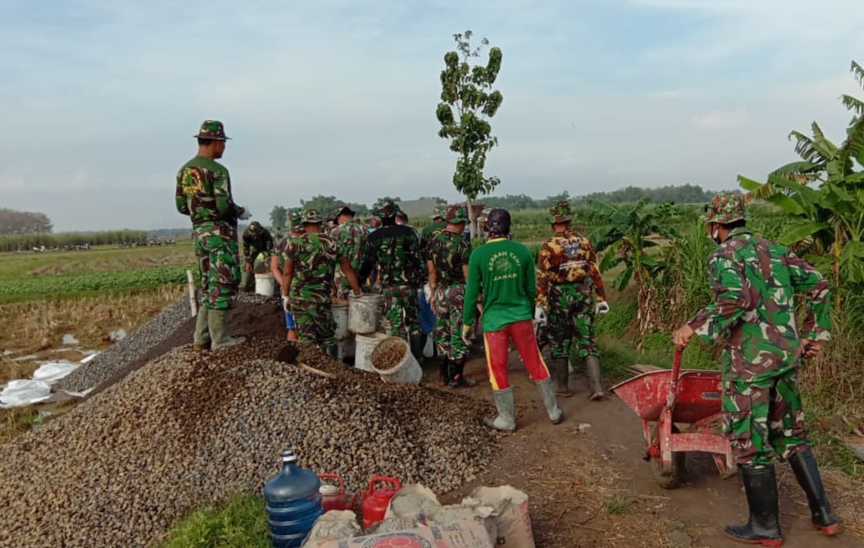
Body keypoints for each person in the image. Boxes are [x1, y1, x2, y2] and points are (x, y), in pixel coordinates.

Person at [672, 192, 836, 545]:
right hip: (786, 359)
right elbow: (820, 283)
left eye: (710, 225)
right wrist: (815, 335)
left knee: (748, 439)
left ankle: (764, 526)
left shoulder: (723, 254)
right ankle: (824, 514)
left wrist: (693, 327)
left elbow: (734, 300)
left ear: (716, 225)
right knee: (792, 435)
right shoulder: (775, 249)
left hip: (751, 366)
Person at [462, 208, 562, 431]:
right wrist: (528, 310)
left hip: (494, 322)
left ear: (488, 228)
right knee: (535, 361)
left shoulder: (478, 255)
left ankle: (506, 419)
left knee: (498, 368)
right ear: (509, 228)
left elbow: (471, 294)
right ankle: (553, 411)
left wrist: (468, 322)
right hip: (521, 318)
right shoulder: (522, 251)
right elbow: (530, 287)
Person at [175, 120, 250, 351]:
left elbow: (181, 206)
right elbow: (223, 204)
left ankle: (201, 338)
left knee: (209, 285)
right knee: (224, 282)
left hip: (200, 234)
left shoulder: (184, 171)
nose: (224, 148)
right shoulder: (217, 171)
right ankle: (221, 339)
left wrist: (201, 213)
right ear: (216, 142)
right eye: (223, 143)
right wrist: (241, 211)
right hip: (220, 234)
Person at [536, 201, 608, 400]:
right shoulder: (584, 242)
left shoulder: (548, 246)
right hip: (583, 292)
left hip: (559, 295)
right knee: (587, 339)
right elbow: (594, 270)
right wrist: (601, 298)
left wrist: (540, 303)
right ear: (569, 220)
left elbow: (542, 278)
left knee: (559, 340)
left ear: (553, 222)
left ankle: (562, 387)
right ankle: (596, 387)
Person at [283, 208, 361, 356]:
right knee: (327, 338)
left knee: (306, 338)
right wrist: (357, 291)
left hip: (299, 298)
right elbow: (347, 268)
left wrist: (285, 295)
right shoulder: (333, 243)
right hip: (321, 299)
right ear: (320, 223)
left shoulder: (293, 243)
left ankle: (311, 368)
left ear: (304, 224)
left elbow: (287, 272)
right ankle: (332, 365)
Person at [359, 199, 425, 360]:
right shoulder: (408, 233)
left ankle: (402, 360)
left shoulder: (374, 238)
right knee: (414, 323)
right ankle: (418, 358)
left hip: (389, 288)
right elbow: (418, 260)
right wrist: (423, 280)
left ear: (379, 217)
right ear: (396, 214)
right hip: (409, 286)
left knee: (396, 325)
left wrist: (360, 281)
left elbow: (367, 263)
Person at [426, 205, 474, 388]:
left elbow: (431, 271)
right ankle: (456, 377)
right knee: (457, 332)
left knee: (441, 331)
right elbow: (467, 275)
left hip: (440, 291)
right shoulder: (462, 244)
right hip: (457, 292)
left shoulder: (433, 241)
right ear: (459, 223)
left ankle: (442, 377)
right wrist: (472, 299)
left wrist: (433, 293)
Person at [271, 208, 305, 340]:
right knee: (307, 328)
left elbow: (274, 267)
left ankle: (292, 357)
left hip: (287, 291)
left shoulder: (280, 241)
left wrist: (285, 285)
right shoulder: (309, 241)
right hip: (306, 290)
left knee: (292, 327)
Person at [330, 204, 369, 299]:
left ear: (339, 217)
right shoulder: (364, 230)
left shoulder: (336, 232)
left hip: (342, 279)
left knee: (344, 310)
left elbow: (331, 259)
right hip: (362, 278)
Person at [240, 221, 274, 291]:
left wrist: (267, 257)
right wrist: (248, 261)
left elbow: (269, 247)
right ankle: (244, 285)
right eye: (253, 234)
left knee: (260, 265)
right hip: (254, 250)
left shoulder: (265, 233)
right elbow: (246, 248)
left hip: (264, 251)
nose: (255, 235)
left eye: (256, 234)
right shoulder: (246, 234)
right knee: (246, 267)